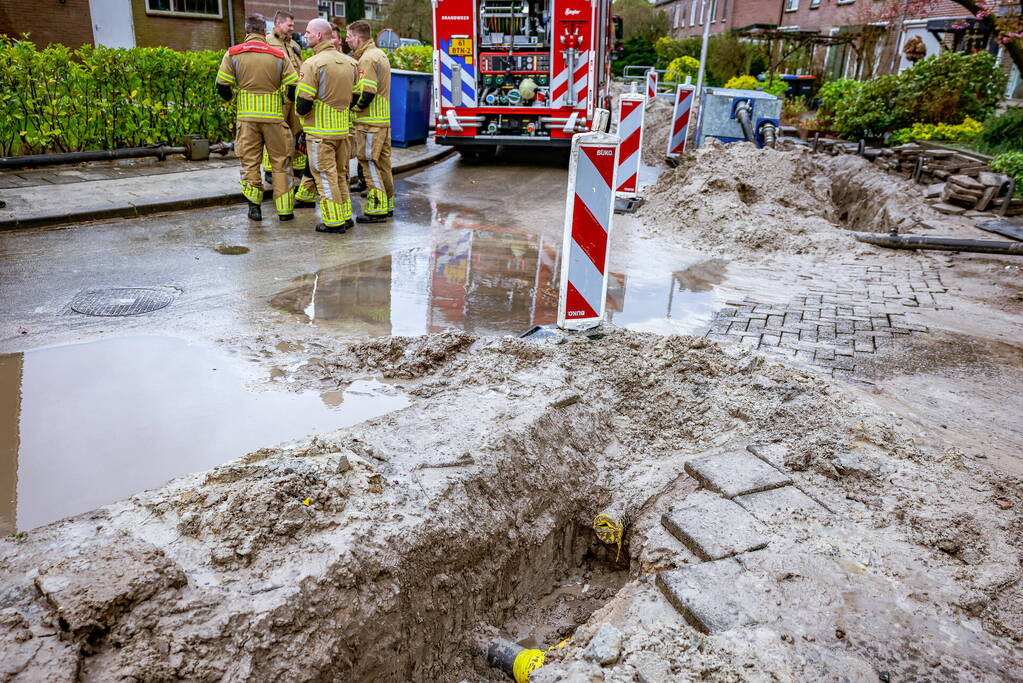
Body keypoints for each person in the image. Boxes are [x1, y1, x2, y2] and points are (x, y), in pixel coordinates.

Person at [216, 15, 298, 222]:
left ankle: (255, 208)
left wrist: (235, 97)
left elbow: (222, 86)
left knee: (250, 162)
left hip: (247, 118)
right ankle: (285, 211)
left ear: (246, 30)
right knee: (280, 162)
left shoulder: (233, 54)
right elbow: (293, 87)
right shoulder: (279, 55)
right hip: (274, 117)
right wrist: (283, 98)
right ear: (264, 31)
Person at [295, 18, 359, 233]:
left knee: (324, 175)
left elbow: (303, 102)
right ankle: (345, 216)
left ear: (319, 36)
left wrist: (301, 117)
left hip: (320, 133)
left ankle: (333, 221)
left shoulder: (312, 64)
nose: (305, 36)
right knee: (341, 175)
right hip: (343, 131)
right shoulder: (351, 63)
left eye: (308, 33)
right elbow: (357, 97)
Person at [346, 20, 393, 223]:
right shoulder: (380, 54)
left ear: (358, 37)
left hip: (369, 123)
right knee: (383, 165)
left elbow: (367, 93)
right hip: (382, 121)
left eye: (349, 36)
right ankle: (388, 204)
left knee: (369, 163)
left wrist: (354, 109)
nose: (347, 40)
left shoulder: (367, 59)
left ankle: (377, 209)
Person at [263, 10, 306, 186]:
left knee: (296, 132)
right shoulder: (267, 42)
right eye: (289, 25)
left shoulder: (294, 44)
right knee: (275, 134)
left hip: (294, 97)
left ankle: (297, 167)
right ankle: (269, 170)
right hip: (278, 97)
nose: (292, 28)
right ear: (279, 24)